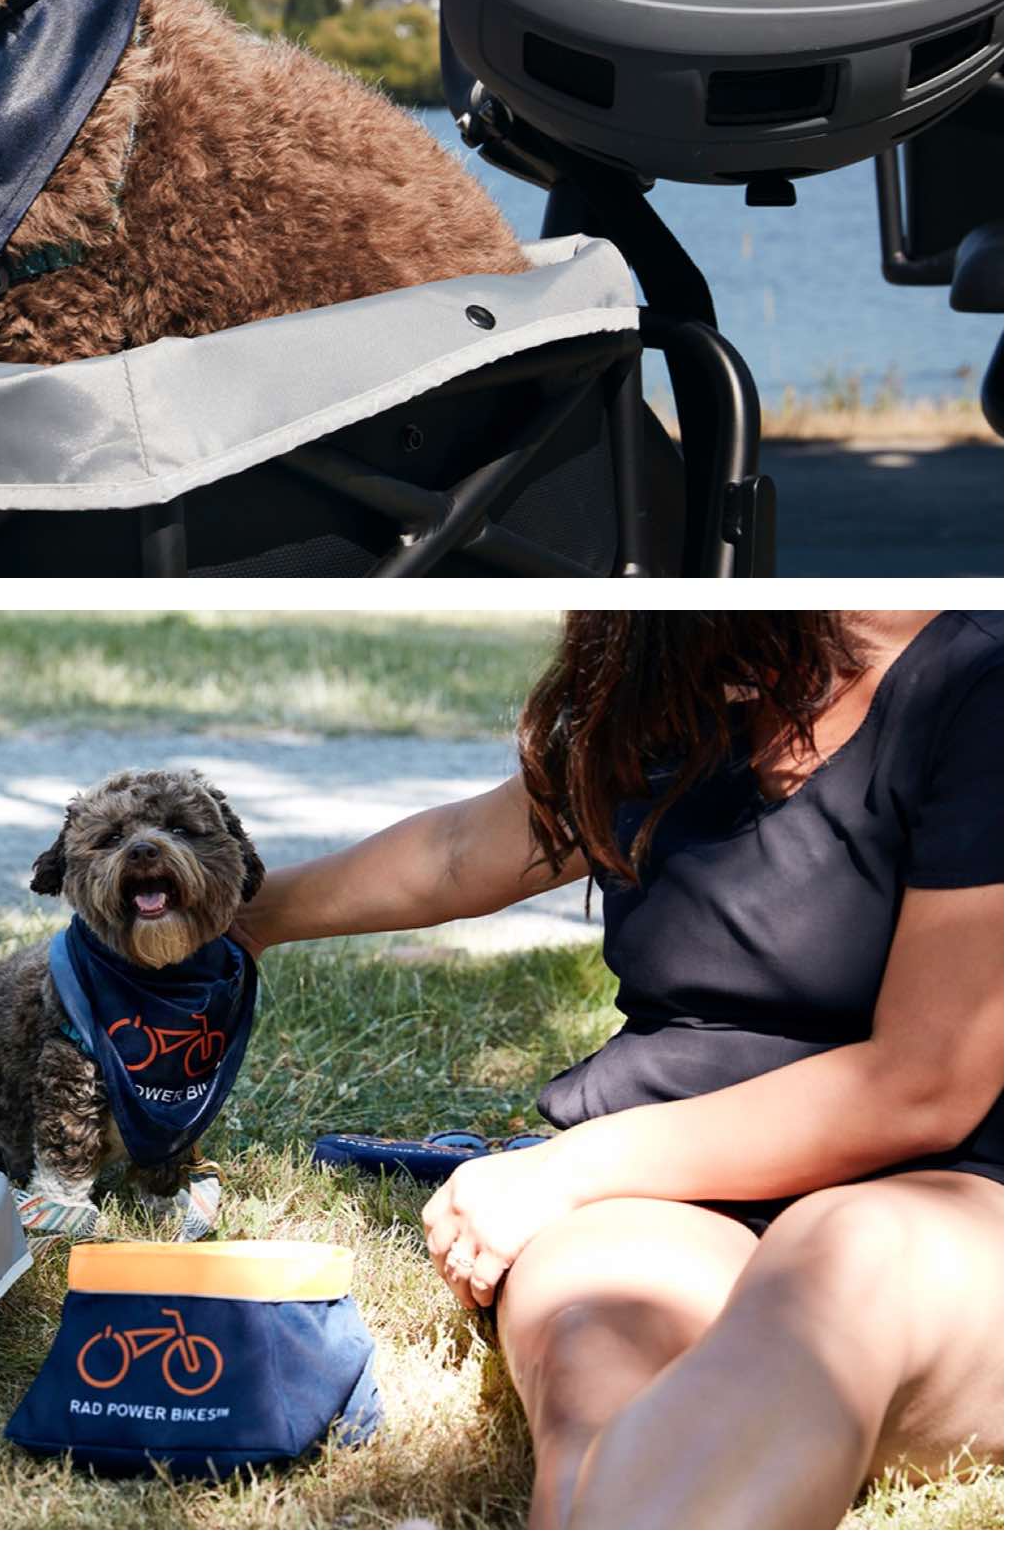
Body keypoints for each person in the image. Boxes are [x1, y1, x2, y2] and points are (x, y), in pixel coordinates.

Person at [236, 611, 1002, 1529]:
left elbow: (920, 1083)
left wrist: (565, 1170)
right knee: (594, 1355)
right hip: (667, 1190)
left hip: (940, 1194)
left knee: (835, 1271)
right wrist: (235, 920)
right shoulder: (688, 664)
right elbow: (455, 854)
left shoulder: (984, 684)